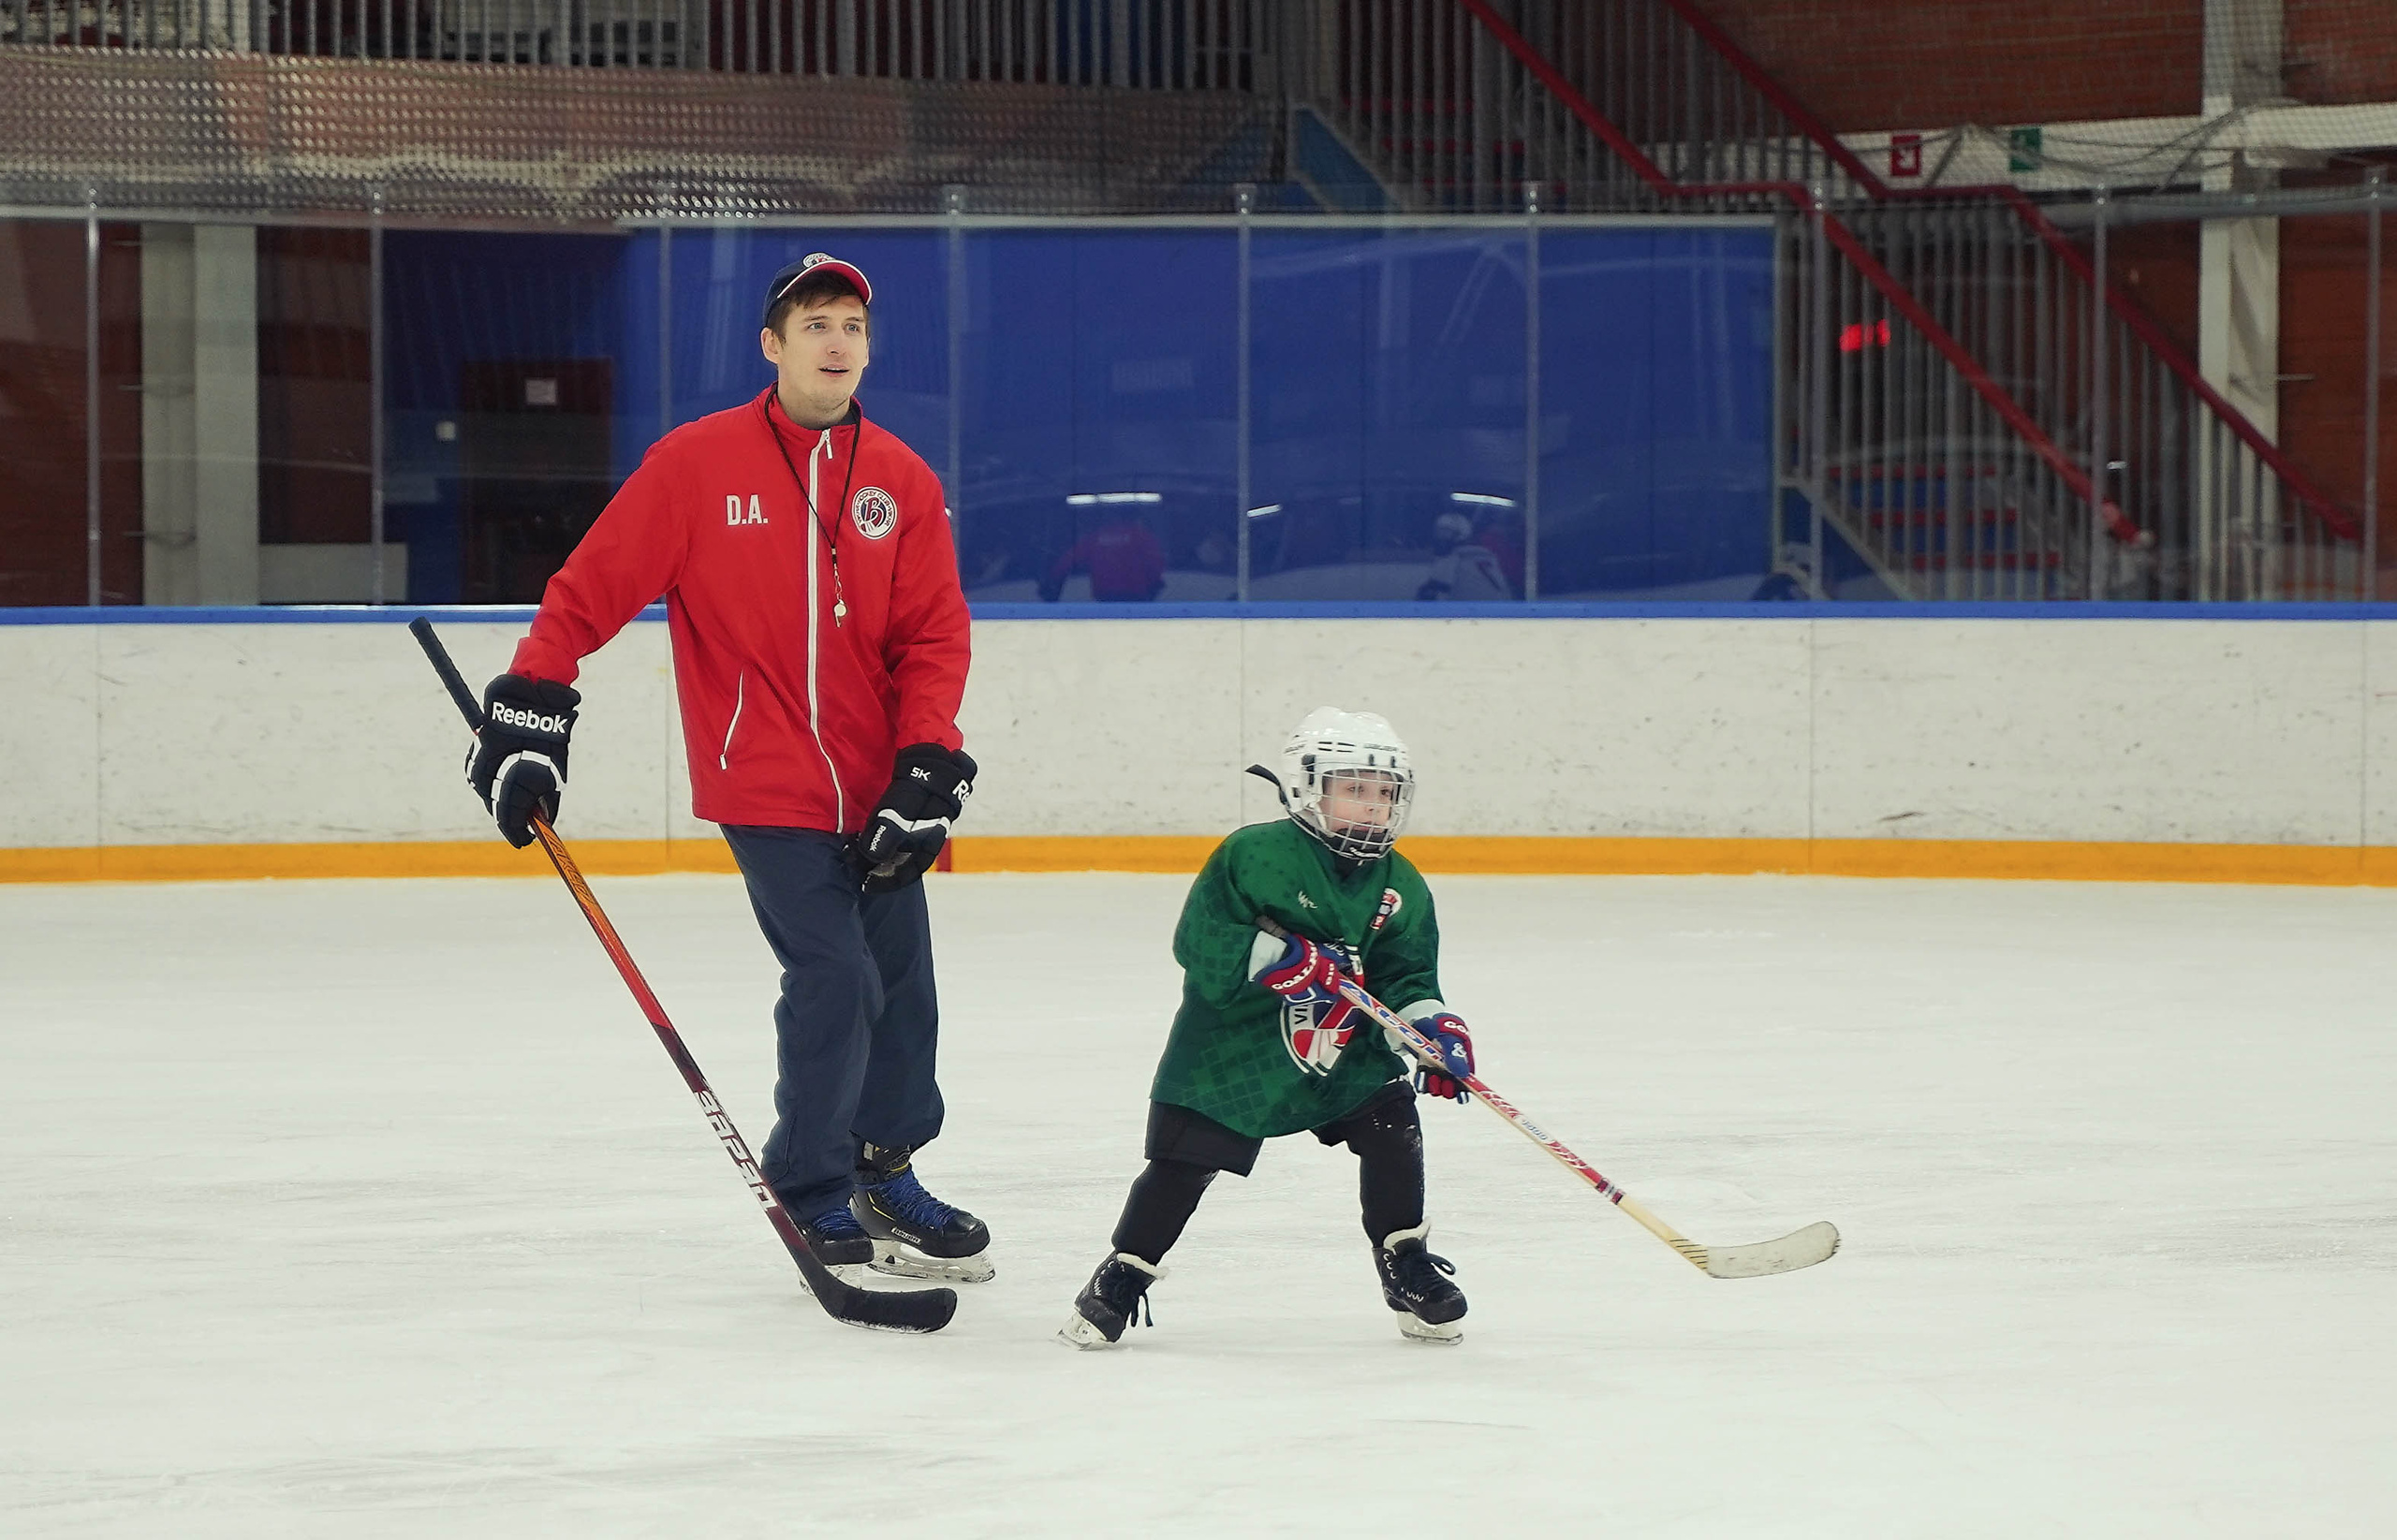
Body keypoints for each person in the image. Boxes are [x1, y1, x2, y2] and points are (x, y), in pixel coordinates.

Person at [459, 251, 994, 1286]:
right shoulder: (695, 465)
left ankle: (886, 1173)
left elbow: (933, 633)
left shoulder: (901, 480)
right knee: (834, 976)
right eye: (815, 326)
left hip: (877, 786)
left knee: (903, 988)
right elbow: (591, 588)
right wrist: (534, 704)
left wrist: (927, 758)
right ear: (772, 344)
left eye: (852, 327)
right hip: (765, 781)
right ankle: (811, 1188)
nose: (837, 343)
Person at [1058, 708, 1479, 1349]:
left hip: (1343, 1046)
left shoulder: (1402, 884)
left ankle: (1406, 1262)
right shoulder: (1253, 855)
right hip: (1236, 1046)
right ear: (1310, 787)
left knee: (1394, 1124)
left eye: (1385, 792)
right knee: (1182, 1166)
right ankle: (1124, 1270)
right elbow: (1197, 939)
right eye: (1355, 789)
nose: (1372, 807)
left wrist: (1432, 1029)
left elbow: (1407, 978)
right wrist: (1275, 958)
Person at [1038, 507, 1168, 602]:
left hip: (1105, 600)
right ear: (1135, 518)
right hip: (1138, 599)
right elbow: (1156, 564)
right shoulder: (1142, 537)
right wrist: (1154, 585)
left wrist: (1051, 582)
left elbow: (1067, 562)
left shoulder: (1096, 537)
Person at [1416, 511, 1512, 601]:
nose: (1440, 538)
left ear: (1461, 534)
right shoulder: (1486, 556)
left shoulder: (1455, 559)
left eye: (1445, 533)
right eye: (1439, 533)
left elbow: (1429, 596)